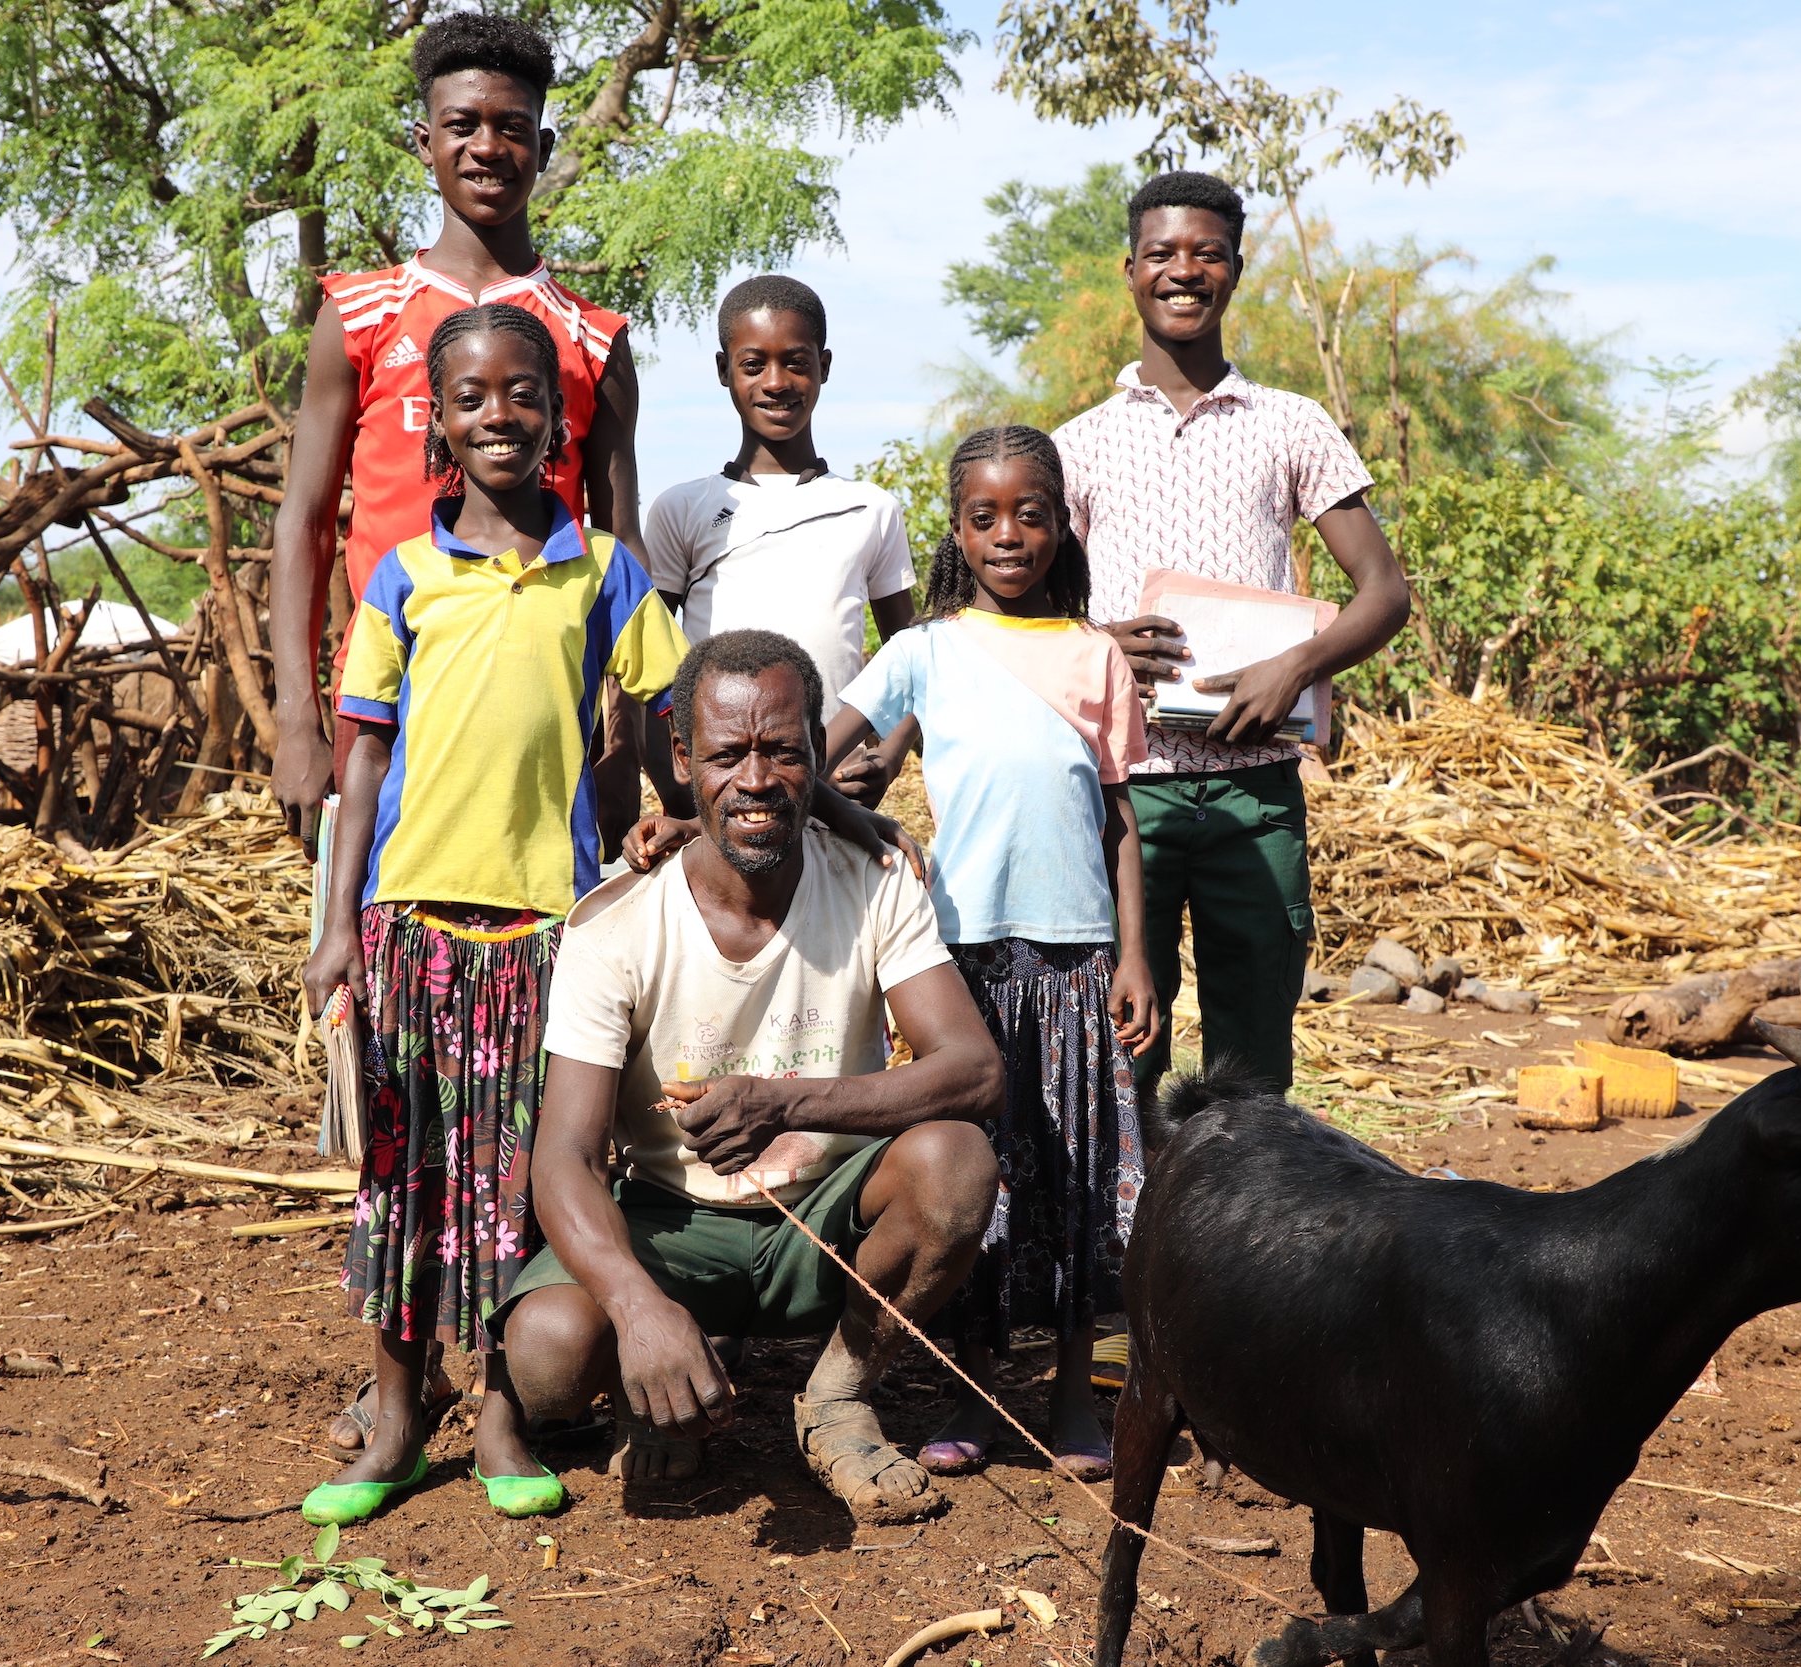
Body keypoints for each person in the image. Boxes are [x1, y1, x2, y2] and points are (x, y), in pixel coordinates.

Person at [267, 11, 643, 1454]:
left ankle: (523, 1363)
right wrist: (302, 715)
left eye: (511, 127)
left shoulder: (592, 337)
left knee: (529, 1084)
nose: (487, 148)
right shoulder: (360, 313)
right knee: (387, 1088)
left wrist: (621, 767)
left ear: (543, 145)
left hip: (541, 784)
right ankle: (392, 1385)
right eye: (461, 124)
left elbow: (614, 556)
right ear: (426, 139)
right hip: (387, 749)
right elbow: (303, 520)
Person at [299, 302, 689, 1525]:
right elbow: (364, 760)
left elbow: (668, 717)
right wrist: (337, 923)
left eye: (523, 393)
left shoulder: (604, 569)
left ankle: (506, 1416)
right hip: (411, 926)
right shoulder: (403, 576)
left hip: (548, 934)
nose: (499, 415)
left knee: (523, 1184)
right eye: (470, 399)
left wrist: (681, 816)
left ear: (558, 416)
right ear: (440, 426)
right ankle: (399, 1417)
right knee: (407, 1179)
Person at [494, 630, 1007, 1526]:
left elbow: (974, 1070)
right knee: (545, 1353)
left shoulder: (872, 884)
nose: (758, 779)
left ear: (818, 752)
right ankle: (655, 1386)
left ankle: (840, 1396)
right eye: (728, 754)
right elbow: (565, 1158)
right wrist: (638, 1307)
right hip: (670, 1220)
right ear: (684, 762)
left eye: (784, 750)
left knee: (956, 1163)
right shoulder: (615, 925)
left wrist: (787, 1101)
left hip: (825, 1217)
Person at [820, 423, 1153, 1483]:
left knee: (1074, 1178)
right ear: (957, 530)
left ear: (1061, 524)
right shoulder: (924, 647)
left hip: (1075, 966)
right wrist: (866, 823)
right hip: (956, 968)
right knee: (982, 1186)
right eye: (984, 516)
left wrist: (1136, 958)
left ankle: (1066, 1396)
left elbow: (1120, 821)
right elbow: (812, 752)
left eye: (1030, 513)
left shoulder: (1096, 654)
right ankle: (968, 1389)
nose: (1009, 533)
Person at [1052, 169, 1413, 1105]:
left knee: (1252, 1074)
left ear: (1235, 271)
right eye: (1163, 253)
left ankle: (1242, 1245)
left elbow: (1384, 593)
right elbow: (1028, 615)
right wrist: (1096, 643)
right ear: (1129, 270)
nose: (1184, 271)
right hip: (1125, 796)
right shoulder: (1076, 444)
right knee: (1123, 1055)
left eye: (1207, 253)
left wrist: (1296, 664)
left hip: (1256, 792)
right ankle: (1129, 1240)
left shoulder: (1293, 425)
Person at [641, 274, 921, 813]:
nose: (776, 381)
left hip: (838, 797)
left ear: (825, 366)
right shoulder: (682, 509)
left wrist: (888, 757)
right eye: (753, 365)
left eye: (796, 362)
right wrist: (680, 796)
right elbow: (649, 669)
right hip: (727, 793)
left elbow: (911, 660)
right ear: (724, 371)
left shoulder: (870, 508)